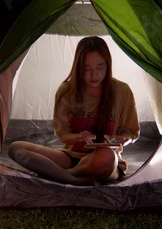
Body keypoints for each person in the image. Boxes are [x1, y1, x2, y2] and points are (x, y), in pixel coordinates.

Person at [8, 36, 140, 186]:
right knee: (16, 149)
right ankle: (73, 177)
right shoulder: (66, 91)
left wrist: (122, 139)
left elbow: (131, 131)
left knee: (106, 157)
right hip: (71, 156)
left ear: (108, 65)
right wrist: (78, 137)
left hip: (104, 160)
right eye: (87, 68)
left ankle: (63, 175)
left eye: (100, 67)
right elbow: (63, 135)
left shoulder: (122, 91)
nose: (94, 74)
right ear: (78, 67)